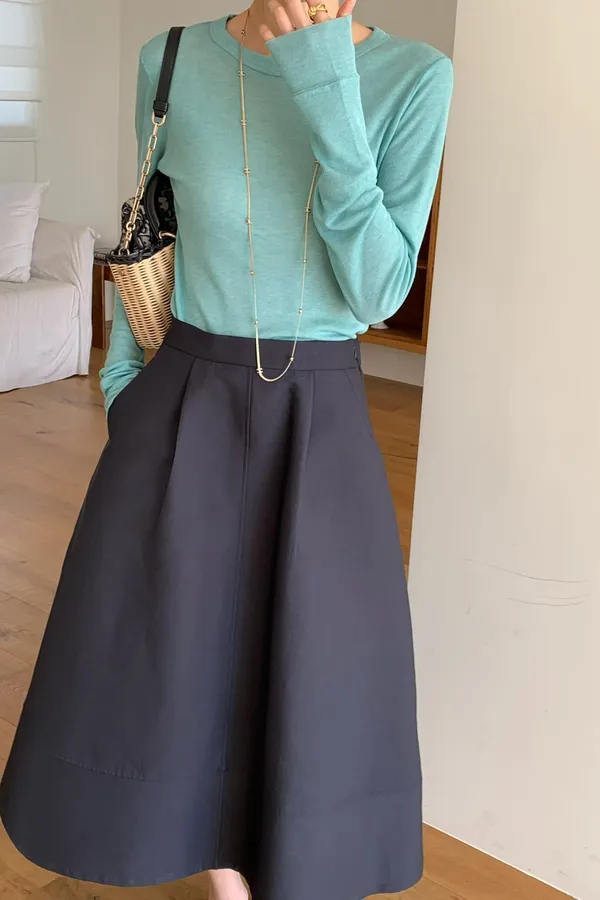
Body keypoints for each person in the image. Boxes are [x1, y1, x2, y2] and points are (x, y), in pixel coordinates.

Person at [0, 3, 453, 900]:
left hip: (321, 405)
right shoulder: (169, 60)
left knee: (314, 656)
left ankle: (280, 869)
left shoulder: (415, 79)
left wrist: (323, 77)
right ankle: (220, 877)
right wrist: (124, 384)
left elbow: (376, 291)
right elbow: (151, 222)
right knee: (167, 646)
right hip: (182, 391)